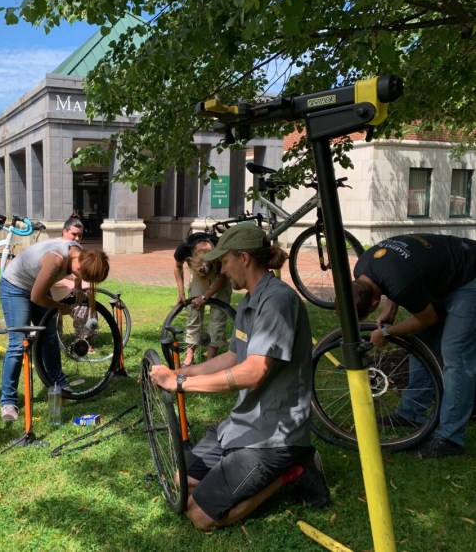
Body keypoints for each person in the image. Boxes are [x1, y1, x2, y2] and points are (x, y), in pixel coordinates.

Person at [150, 225, 329, 531]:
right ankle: (235, 469)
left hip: (272, 436)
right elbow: (233, 357)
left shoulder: (277, 302)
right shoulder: (248, 301)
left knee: (199, 516)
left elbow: (253, 371)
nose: (221, 269)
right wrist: (178, 373)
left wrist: (180, 385)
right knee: (181, 481)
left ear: (244, 258)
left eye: (225, 261)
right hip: (240, 426)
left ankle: (293, 469)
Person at [352, 233, 476, 458]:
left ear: (373, 301)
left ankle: (451, 440)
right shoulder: (362, 267)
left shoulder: (398, 282)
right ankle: (412, 413)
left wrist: (387, 332)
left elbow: (428, 318)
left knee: (455, 353)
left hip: (470, 277)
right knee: (422, 343)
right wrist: (391, 308)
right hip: (443, 274)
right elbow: (393, 276)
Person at [0, 238, 110, 421]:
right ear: (80, 266)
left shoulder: (81, 254)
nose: (85, 280)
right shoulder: (56, 260)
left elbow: (77, 276)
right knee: (18, 344)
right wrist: (59, 306)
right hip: (15, 287)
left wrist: (77, 288)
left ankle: (60, 386)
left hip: (37, 285)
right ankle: (8, 401)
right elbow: (36, 296)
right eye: (86, 277)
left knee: (49, 339)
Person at [173, 231, 233, 365]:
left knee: (218, 315)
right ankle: (189, 356)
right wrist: (181, 292)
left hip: (219, 275)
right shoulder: (184, 248)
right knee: (194, 310)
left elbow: (223, 278)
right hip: (197, 273)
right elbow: (178, 267)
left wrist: (205, 296)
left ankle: (210, 358)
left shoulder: (220, 248)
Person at [51, 215, 86, 301]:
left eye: (80, 235)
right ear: (64, 232)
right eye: (74, 234)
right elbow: (43, 278)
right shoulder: (54, 250)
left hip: (72, 292)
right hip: (51, 292)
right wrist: (66, 282)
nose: (77, 238)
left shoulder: (79, 250)